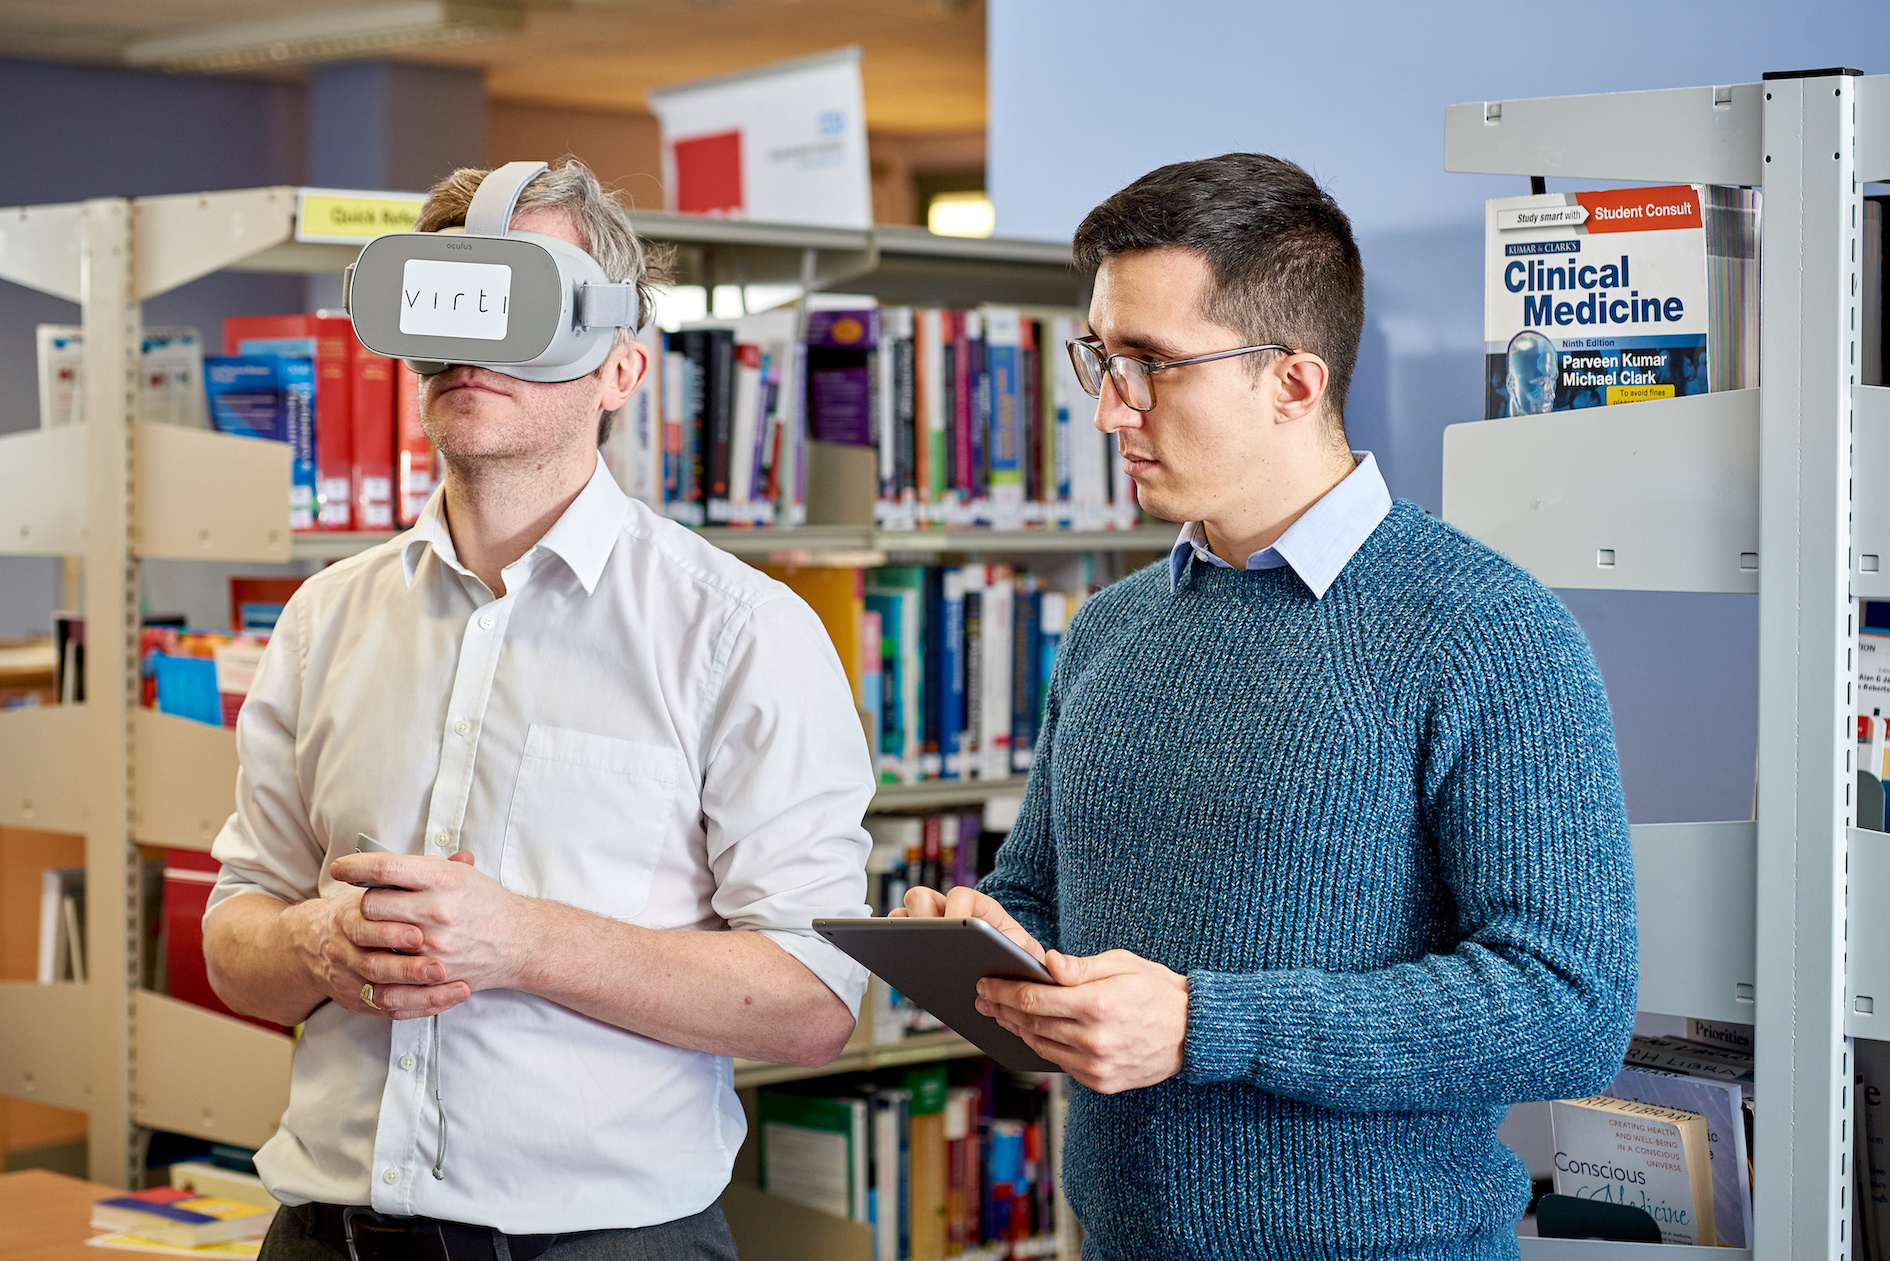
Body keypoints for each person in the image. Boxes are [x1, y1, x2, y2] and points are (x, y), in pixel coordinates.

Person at [899, 154, 1637, 1259]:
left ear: (1293, 382)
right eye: (1100, 359)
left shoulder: (1486, 629)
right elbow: (1042, 897)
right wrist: (992, 950)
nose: (1108, 409)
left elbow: (1568, 1008)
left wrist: (1208, 1024)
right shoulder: (1111, 628)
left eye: (1150, 364)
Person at [202, 159, 875, 1261]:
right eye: (455, 294)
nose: (480, 339)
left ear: (620, 366)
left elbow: (811, 1002)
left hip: (605, 1243)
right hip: (322, 1233)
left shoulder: (741, 634)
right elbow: (235, 942)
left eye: (529, 301)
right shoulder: (324, 619)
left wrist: (522, 942)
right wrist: (317, 941)